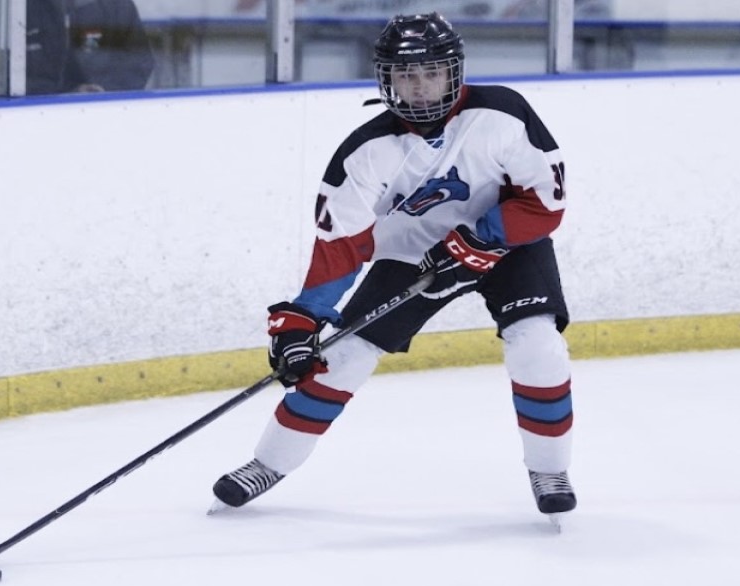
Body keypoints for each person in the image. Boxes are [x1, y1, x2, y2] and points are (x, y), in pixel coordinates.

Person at [211, 13, 577, 522]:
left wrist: (479, 240)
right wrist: (304, 320)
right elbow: (341, 247)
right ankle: (267, 463)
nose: (419, 86)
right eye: (405, 75)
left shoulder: (503, 113)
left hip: (508, 245)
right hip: (412, 256)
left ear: (455, 71)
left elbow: (545, 203)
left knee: (539, 346)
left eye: (430, 72)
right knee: (342, 357)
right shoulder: (364, 154)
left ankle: (549, 470)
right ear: (385, 79)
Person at [0, 0, 154, 98]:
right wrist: (59, 96)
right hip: (26, 136)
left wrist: (103, 90)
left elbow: (138, 60)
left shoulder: (113, 5)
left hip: (104, 130)